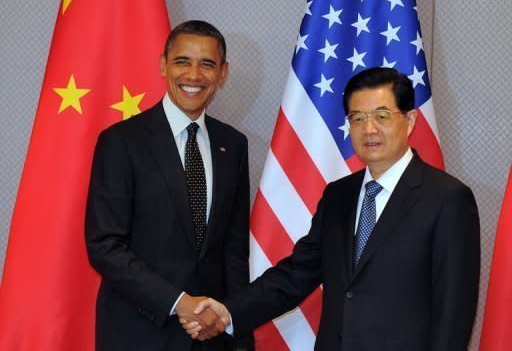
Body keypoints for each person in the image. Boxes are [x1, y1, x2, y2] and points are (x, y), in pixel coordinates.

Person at [182, 67, 480, 350]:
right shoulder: (339, 195)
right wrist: (227, 311)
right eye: (358, 118)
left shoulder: (447, 199)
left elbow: (453, 313)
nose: (369, 129)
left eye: (382, 115)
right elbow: (297, 274)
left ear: (410, 120)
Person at [85, 20, 254, 351]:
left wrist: (239, 335)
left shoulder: (233, 145)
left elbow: (234, 252)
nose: (193, 75)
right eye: (182, 61)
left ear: (223, 73)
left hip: (210, 337)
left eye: (207, 64)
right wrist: (179, 302)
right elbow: (105, 245)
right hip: (138, 335)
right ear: (163, 65)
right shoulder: (121, 142)